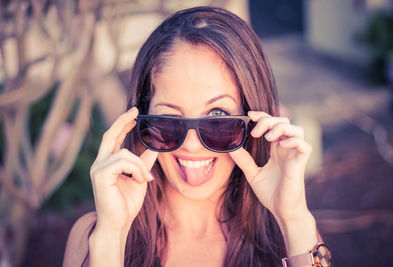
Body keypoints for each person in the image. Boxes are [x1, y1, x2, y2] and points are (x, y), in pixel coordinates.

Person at [63, 6, 329, 267]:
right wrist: (113, 237)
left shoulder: (294, 237)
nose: (191, 145)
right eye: (169, 119)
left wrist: (293, 220)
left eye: (217, 117)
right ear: (139, 118)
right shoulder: (93, 237)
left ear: (254, 119)